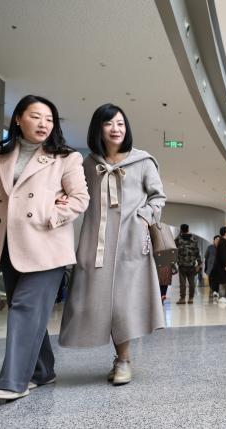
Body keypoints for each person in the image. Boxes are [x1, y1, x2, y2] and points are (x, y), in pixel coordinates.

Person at [59, 103, 167, 386]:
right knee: (92, 300)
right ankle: (114, 355)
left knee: (123, 303)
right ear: (99, 129)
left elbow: (158, 198)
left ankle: (123, 359)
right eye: (109, 124)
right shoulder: (86, 164)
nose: (116, 128)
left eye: (120, 123)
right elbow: (73, 193)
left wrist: (143, 218)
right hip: (96, 242)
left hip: (132, 242)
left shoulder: (143, 161)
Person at [0, 95, 89, 401]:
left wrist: (51, 214)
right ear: (18, 119)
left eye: (49, 119)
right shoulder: (2, 155)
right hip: (9, 245)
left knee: (25, 308)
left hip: (46, 244)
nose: (43, 124)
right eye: (36, 117)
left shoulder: (66, 157)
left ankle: (13, 381)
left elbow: (80, 198)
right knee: (26, 309)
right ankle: (43, 371)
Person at [175, 224, 202, 304]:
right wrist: (199, 263)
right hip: (191, 265)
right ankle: (191, 298)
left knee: (182, 283)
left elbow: (174, 251)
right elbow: (197, 252)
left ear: (181, 230)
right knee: (191, 283)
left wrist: (174, 262)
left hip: (182, 265)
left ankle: (182, 299)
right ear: (188, 229)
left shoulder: (177, 240)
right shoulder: (194, 239)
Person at [204, 235, 220, 300]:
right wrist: (206, 267)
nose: (217, 241)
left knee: (217, 279)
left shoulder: (221, 248)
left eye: (219, 240)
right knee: (211, 279)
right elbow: (206, 257)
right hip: (211, 266)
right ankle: (213, 290)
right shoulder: (209, 247)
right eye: (216, 239)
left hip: (219, 267)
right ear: (213, 241)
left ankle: (216, 291)